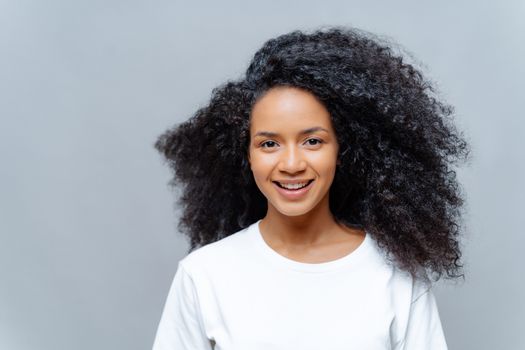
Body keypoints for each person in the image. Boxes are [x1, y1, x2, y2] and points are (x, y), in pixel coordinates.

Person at [151, 26, 469, 350]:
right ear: (246, 153)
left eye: (312, 141)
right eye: (269, 143)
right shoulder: (205, 276)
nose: (291, 164)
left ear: (344, 149)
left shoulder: (398, 279)